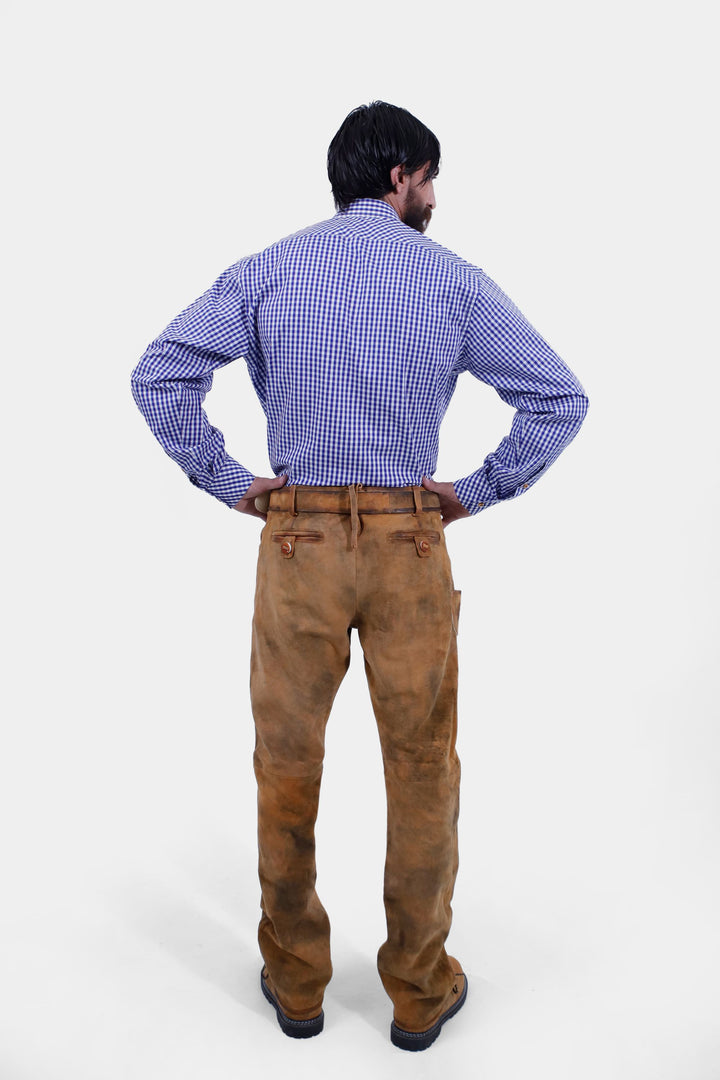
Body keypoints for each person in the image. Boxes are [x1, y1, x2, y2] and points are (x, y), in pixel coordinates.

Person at [130, 101, 589, 1052]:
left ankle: (297, 984)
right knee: (422, 768)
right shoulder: (450, 281)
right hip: (408, 546)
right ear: (400, 178)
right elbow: (558, 396)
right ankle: (419, 991)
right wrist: (470, 493)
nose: (433, 197)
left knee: (287, 766)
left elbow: (160, 370)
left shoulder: (269, 270)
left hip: (295, 548)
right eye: (430, 179)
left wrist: (230, 483)